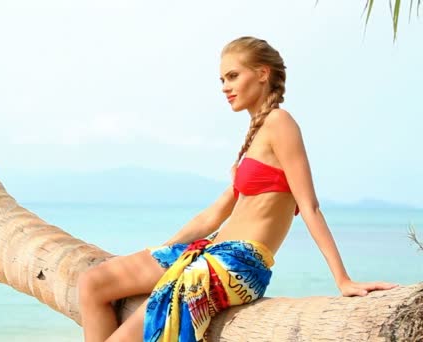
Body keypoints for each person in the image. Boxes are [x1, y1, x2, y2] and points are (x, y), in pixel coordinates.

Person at [77, 36, 398, 342]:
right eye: (221, 80)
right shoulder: (255, 136)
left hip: (236, 265)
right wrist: (164, 251)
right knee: (92, 282)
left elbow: (309, 207)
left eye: (232, 76)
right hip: (207, 252)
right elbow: (214, 214)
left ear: (262, 73)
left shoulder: (280, 123)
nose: (225, 87)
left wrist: (342, 280)